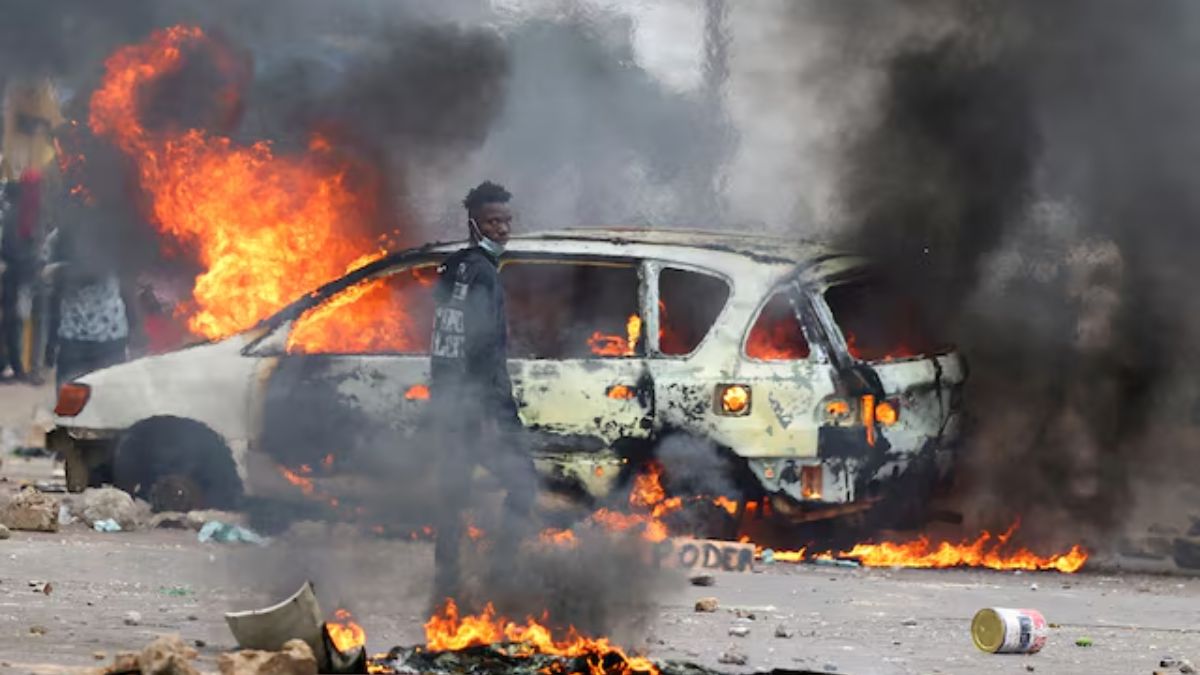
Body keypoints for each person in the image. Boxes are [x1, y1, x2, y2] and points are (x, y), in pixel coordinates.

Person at [428, 181, 536, 607]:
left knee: (452, 492)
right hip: (479, 406)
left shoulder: (452, 268)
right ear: (474, 223)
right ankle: (501, 571)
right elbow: (484, 348)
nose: (503, 230)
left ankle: (447, 577)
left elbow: (442, 339)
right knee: (523, 484)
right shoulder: (485, 274)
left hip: (450, 402)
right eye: (494, 221)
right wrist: (499, 411)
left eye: (507, 221)